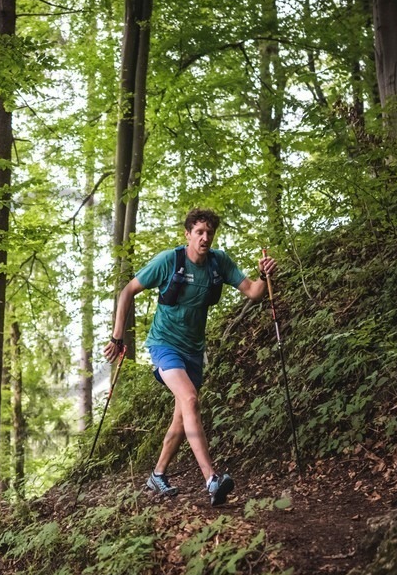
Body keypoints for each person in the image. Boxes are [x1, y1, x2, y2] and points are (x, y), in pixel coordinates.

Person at [103, 208, 277, 506]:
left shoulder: (218, 263)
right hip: (163, 345)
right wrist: (118, 337)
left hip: (194, 350)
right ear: (188, 234)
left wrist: (265, 274)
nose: (205, 237)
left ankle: (157, 475)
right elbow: (127, 291)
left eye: (209, 232)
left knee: (182, 418)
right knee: (191, 399)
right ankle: (211, 479)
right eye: (199, 232)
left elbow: (254, 292)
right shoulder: (169, 261)